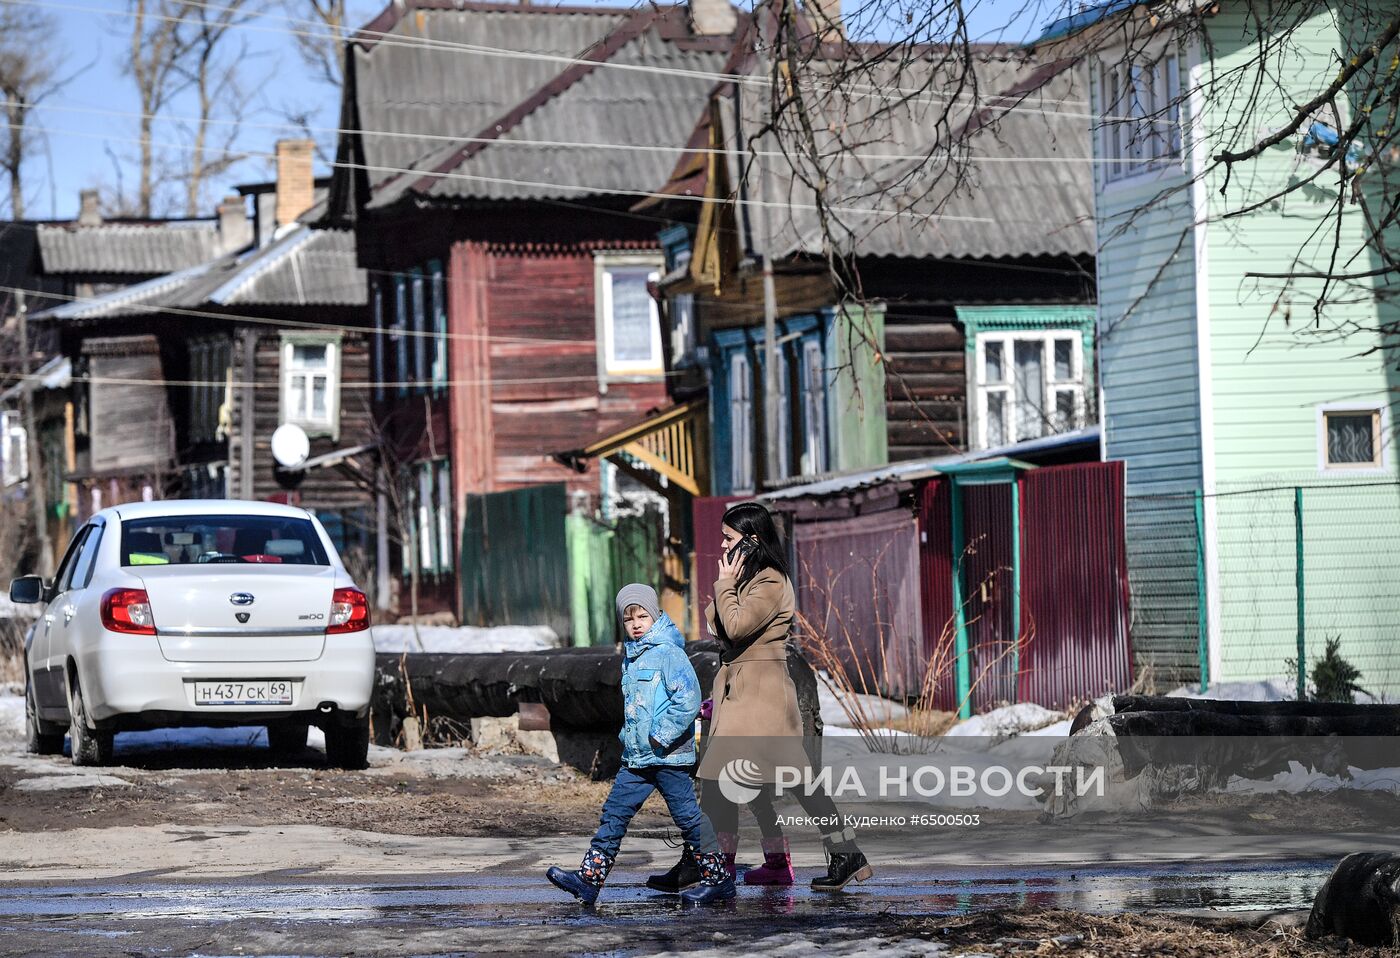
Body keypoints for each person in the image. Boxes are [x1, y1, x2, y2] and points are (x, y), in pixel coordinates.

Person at [696, 501, 873, 891]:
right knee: (755, 781)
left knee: (765, 779)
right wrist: (730, 587)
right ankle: (844, 855)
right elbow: (719, 623)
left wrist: (725, 585)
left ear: (752, 541)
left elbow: (736, 625)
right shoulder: (750, 579)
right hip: (744, 688)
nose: (723, 547)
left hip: (761, 693)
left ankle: (719, 870)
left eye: (729, 539)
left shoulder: (771, 581)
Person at [546, 584, 735, 906]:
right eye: (628, 618)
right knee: (614, 814)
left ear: (655, 615)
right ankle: (589, 880)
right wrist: (627, 739)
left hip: (669, 756)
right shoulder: (631, 658)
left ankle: (718, 880)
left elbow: (687, 701)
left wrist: (660, 735)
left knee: (688, 818)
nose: (635, 623)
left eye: (642, 616)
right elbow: (635, 708)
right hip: (637, 758)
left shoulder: (669, 654)